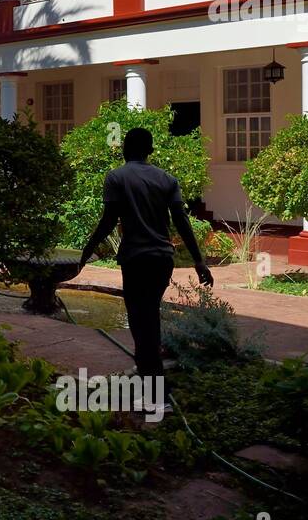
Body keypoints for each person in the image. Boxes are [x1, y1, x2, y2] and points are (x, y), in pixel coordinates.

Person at [78, 128, 213, 408]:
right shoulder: (167, 179)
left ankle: (156, 396)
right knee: (147, 321)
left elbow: (107, 220)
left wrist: (86, 251)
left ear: (126, 148)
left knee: (143, 327)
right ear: (150, 150)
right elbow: (181, 222)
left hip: (136, 260)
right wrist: (199, 260)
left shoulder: (116, 177)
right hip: (162, 260)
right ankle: (152, 389)